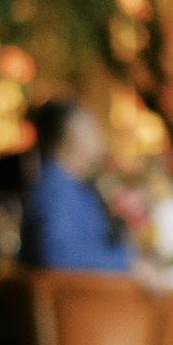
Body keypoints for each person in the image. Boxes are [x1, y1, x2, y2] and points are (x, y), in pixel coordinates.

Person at [20, 98, 136, 271]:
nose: (99, 133)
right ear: (70, 133)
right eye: (90, 126)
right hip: (74, 295)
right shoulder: (54, 190)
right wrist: (127, 264)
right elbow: (56, 256)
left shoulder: (77, 186)